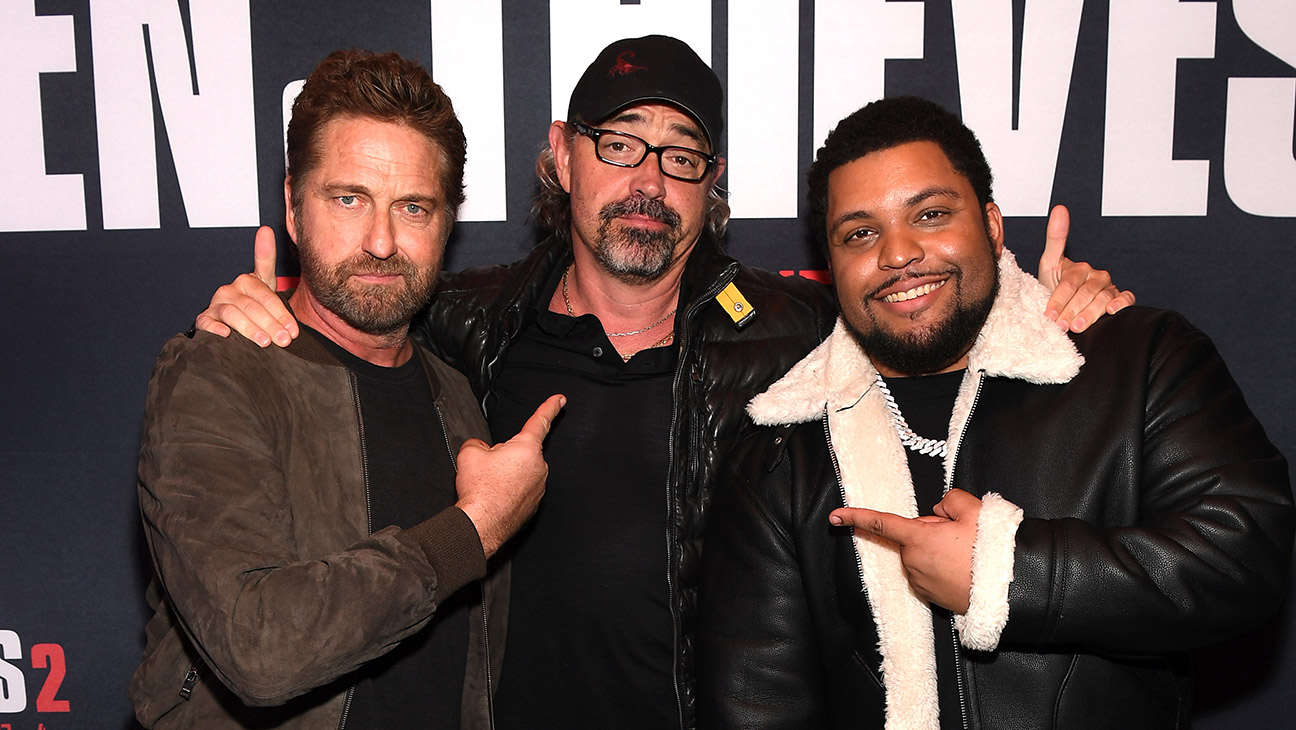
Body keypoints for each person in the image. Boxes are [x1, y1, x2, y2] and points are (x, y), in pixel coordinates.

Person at [194, 37, 1132, 729]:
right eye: (620, 143)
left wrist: (1030, 297)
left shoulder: (790, 330)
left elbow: (923, 307)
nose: (649, 179)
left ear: (711, 185)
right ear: (561, 156)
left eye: (682, 156)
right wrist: (253, 309)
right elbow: (354, 307)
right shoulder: (466, 322)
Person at [695, 96, 1294, 730]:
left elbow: (1242, 557)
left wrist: (1008, 576)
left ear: (993, 226)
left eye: (929, 214)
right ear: (832, 264)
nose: (897, 253)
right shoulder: (779, 449)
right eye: (861, 233)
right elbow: (757, 707)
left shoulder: (1135, 358)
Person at [130, 49, 564, 729]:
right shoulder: (218, 376)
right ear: (293, 209)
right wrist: (472, 530)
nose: (383, 241)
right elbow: (260, 647)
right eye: (349, 198)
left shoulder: (455, 396)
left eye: (413, 207)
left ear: (448, 222)